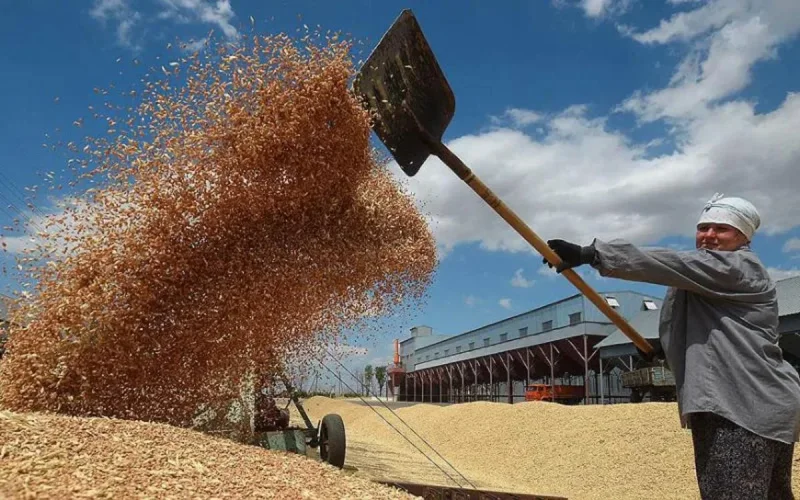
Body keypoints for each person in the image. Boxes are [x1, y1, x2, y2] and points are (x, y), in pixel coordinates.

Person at [544, 193, 800, 500]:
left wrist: (592, 253)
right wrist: (663, 350)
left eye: (721, 229)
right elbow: (711, 331)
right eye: (703, 227)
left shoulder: (737, 268)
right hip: (763, 403)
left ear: (744, 236)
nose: (709, 235)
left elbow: (668, 263)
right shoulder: (709, 281)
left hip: (741, 406)